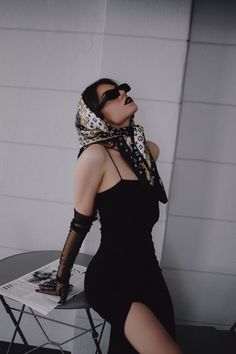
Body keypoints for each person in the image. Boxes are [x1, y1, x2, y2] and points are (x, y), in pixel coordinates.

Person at [37, 78, 183, 354]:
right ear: (96, 115)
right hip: (112, 279)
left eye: (123, 88)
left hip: (150, 274)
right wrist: (61, 277)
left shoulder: (145, 152)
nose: (124, 93)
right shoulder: (94, 157)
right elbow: (80, 223)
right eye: (112, 95)